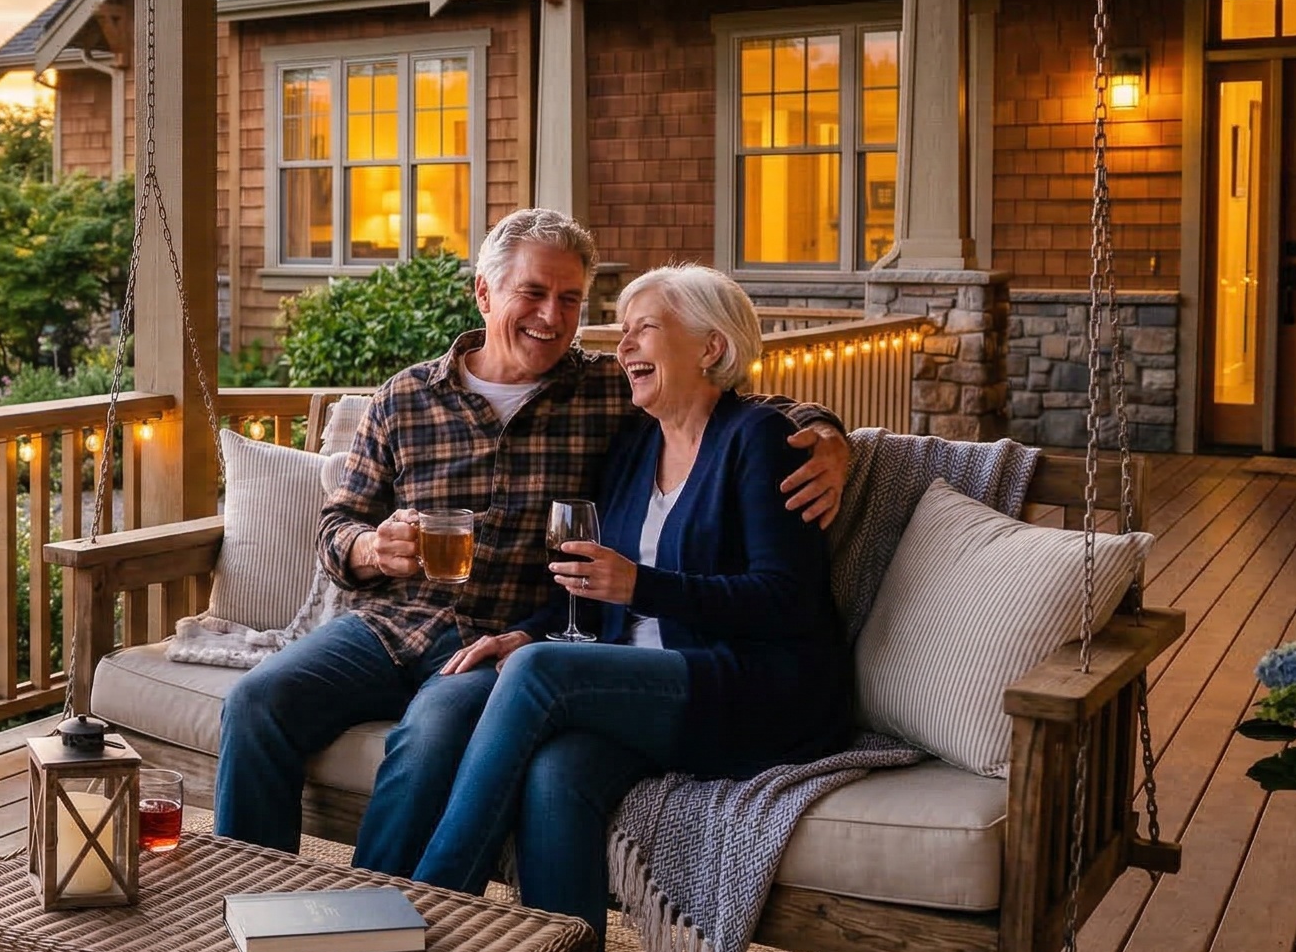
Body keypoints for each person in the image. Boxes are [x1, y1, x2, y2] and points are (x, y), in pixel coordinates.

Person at [359, 263, 850, 952]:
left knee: (542, 674)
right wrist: (527, 629)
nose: (620, 343)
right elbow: (588, 586)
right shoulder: (633, 447)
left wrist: (641, 590)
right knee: (555, 777)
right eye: (620, 328)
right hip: (647, 687)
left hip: (754, 693)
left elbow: (786, 601)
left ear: (714, 347)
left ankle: (427, 907)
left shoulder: (759, 440)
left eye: (644, 327)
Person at [212, 212, 848, 857]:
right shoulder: (404, 397)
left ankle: (381, 921)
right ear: (485, 295)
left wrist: (828, 437)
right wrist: (371, 548)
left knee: (430, 739)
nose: (552, 315)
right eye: (534, 293)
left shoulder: (607, 391)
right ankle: (249, 901)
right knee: (259, 701)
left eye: (569, 299)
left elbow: (730, 404)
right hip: (389, 625)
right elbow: (337, 525)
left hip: (508, 641)